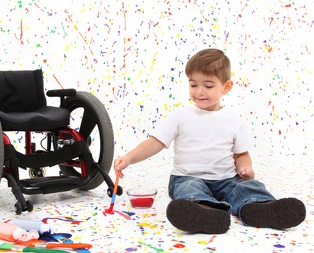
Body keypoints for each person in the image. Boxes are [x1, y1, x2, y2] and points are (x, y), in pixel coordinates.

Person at [114, 48, 306, 234]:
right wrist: (129, 158)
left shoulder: (233, 120)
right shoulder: (180, 116)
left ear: (226, 87)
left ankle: (261, 206)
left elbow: (241, 154)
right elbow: (155, 142)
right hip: (187, 177)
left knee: (249, 186)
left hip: (226, 180)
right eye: (193, 84)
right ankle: (203, 210)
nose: (199, 91)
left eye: (208, 85)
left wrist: (246, 169)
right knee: (190, 188)